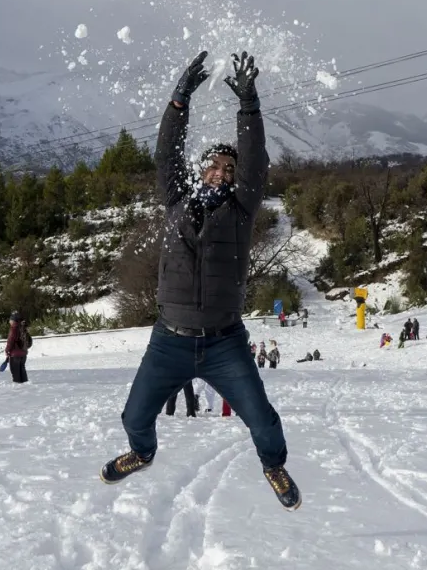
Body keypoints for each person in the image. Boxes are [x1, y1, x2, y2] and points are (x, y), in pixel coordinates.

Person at [100, 51, 300, 511]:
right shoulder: (175, 202)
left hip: (225, 343)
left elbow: (254, 163)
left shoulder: (240, 211)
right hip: (168, 340)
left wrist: (248, 106)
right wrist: (179, 99)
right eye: (214, 165)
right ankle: (142, 453)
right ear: (201, 169)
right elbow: (165, 153)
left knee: (262, 421)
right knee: (134, 415)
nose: (222, 172)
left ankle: (273, 465)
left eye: (229, 170)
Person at [4, 311, 30, 383]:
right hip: (23, 353)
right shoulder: (22, 327)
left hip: (15, 354)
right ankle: (25, 385)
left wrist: (7, 350)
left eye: (10, 320)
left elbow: (10, 341)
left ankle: (17, 387)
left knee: (15, 371)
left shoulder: (14, 328)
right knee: (22, 369)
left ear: (13, 320)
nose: (9, 321)